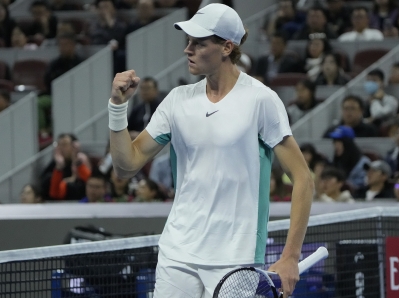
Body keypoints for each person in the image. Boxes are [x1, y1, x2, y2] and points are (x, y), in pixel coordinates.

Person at [108, 4, 313, 297]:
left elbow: (303, 179)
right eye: (188, 42)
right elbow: (125, 166)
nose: (187, 50)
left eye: (199, 43)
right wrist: (117, 107)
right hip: (178, 252)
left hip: (236, 258)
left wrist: (291, 255)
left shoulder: (261, 100)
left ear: (227, 47)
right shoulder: (177, 101)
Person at [41, 133, 91, 201]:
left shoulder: (81, 159)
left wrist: (77, 162)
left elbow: (90, 180)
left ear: (73, 146)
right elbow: (53, 192)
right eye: (59, 145)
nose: (61, 148)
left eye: (65, 145)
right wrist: (59, 167)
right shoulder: (55, 163)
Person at [327, 125, 371, 190]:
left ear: (347, 143)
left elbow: (364, 185)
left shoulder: (363, 163)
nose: (336, 146)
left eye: (339, 142)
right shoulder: (336, 162)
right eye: (334, 142)